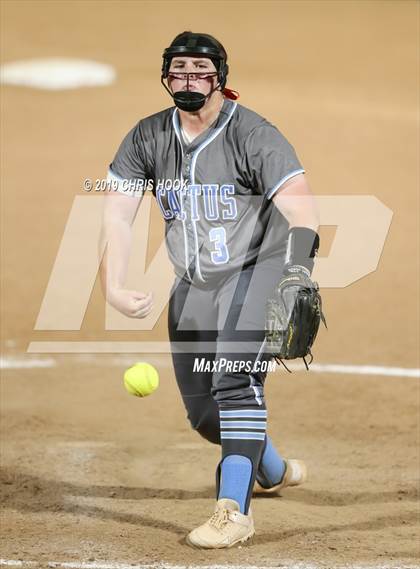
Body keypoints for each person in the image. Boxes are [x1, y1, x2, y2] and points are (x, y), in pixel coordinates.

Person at [100, 31, 321, 549]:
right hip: (195, 283)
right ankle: (270, 467)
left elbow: (303, 209)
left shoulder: (253, 134)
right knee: (206, 416)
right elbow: (117, 211)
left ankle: (233, 510)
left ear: (221, 77)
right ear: (165, 76)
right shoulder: (147, 137)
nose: (188, 80)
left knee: (234, 380)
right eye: (178, 70)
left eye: (200, 70)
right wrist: (113, 284)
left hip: (257, 269)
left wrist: (298, 273)